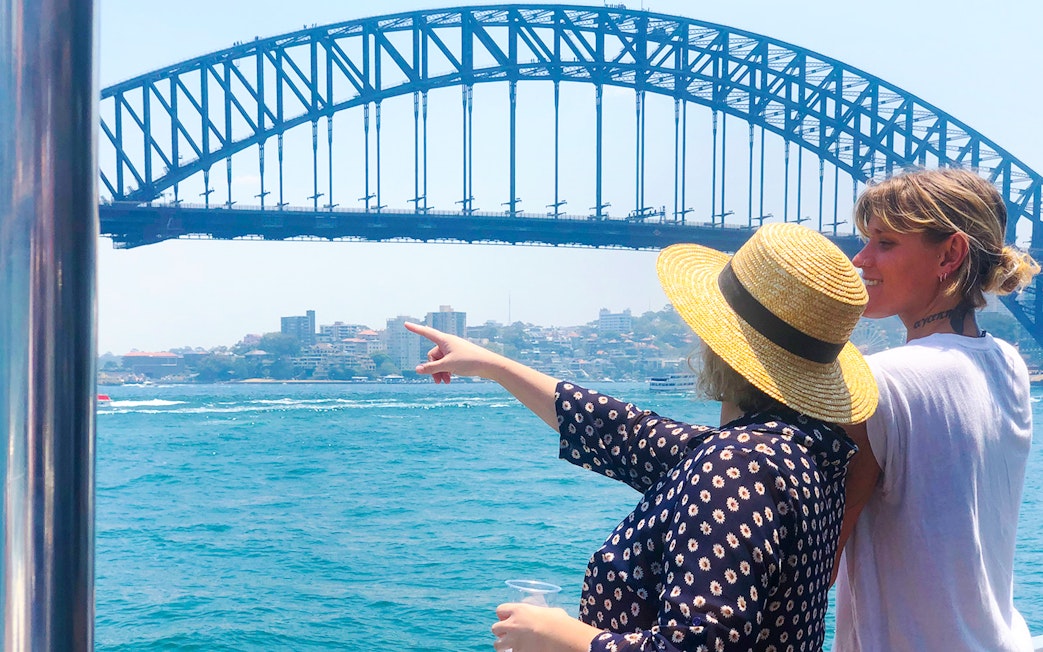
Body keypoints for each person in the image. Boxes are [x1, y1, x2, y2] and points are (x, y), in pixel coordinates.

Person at [407, 222, 878, 652]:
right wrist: (492, 364)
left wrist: (558, 635)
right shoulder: (802, 453)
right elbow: (625, 432)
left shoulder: (734, 469)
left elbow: (696, 648)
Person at [831, 167, 1040, 652]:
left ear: (950, 253)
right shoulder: (1006, 363)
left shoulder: (878, 383)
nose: (860, 259)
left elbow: (816, 560)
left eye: (884, 243)